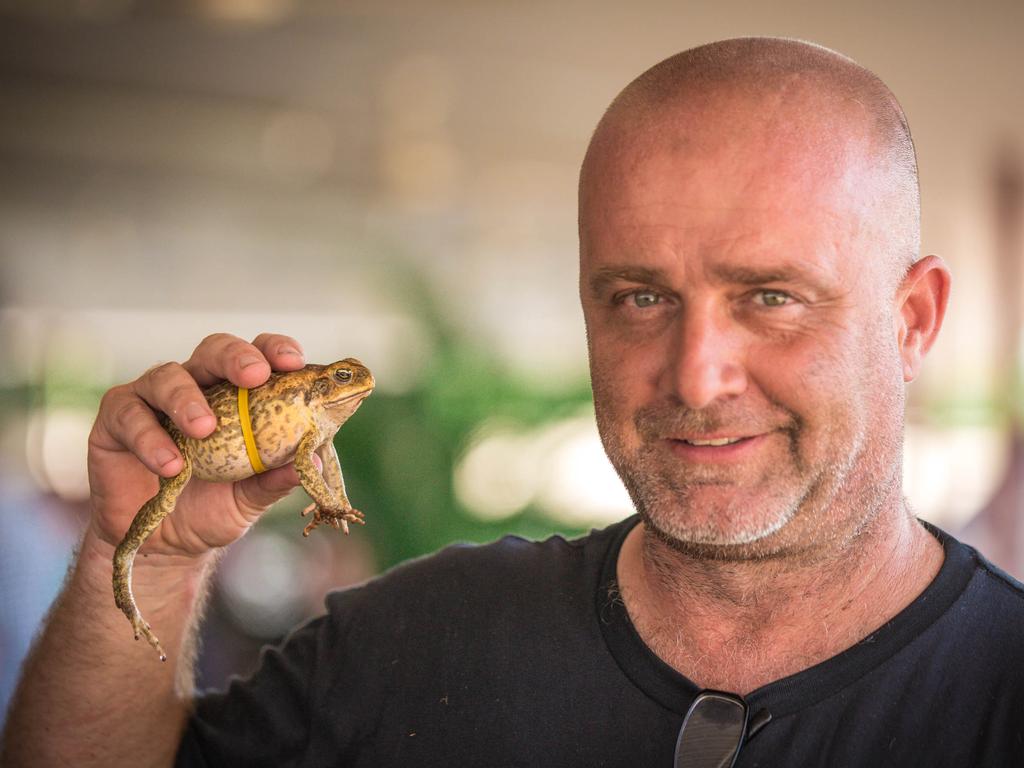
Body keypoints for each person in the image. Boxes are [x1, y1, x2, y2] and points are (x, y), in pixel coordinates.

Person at [3, 36, 1023, 767]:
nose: (693, 374)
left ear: (912, 320)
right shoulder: (412, 639)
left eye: (769, 297)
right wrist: (146, 554)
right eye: (638, 297)